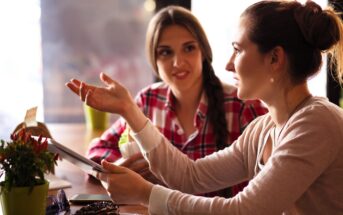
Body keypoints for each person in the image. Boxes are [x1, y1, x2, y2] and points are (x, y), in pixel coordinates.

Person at [66, 0, 343, 214]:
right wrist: (129, 109)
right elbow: (190, 176)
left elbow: (245, 210)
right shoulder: (265, 128)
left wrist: (146, 194)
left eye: (238, 49)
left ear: (275, 59)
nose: (227, 64)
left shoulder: (316, 123)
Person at [85, 5, 267, 197]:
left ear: (203, 52)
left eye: (188, 48)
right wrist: (120, 167)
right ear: (154, 61)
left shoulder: (242, 106)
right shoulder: (147, 101)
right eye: (166, 52)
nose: (178, 62)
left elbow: (267, 184)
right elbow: (98, 148)